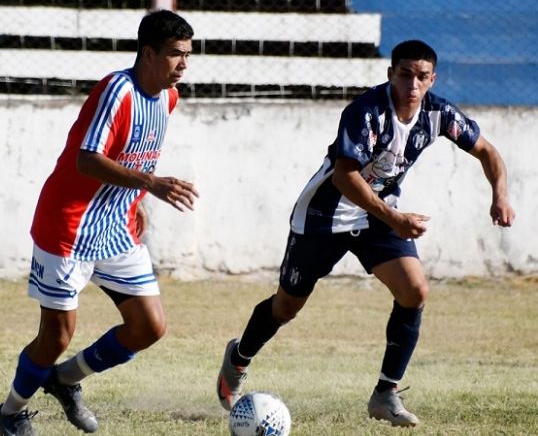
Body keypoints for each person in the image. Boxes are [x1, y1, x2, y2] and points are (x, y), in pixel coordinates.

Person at [216, 40, 515, 427]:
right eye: (405, 74)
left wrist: (500, 196)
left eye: (421, 77)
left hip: (377, 216)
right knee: (286, 308)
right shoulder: (366, 111)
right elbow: (344, 176)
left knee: (414, 290)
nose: (412, 84)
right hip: (324, 215)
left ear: (432, 80)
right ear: (391, 74)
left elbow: (488, 151)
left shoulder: (439, 113)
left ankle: (386, 394)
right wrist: (394, 217)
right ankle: (239, 357)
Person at [0, 10, 197, 436]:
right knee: (56, 337)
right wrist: (150, 184)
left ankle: (64, 380)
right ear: (148, 53)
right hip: (68, 227)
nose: (184, 64)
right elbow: (88, 160)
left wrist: (136, 200)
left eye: (188, 55)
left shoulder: (168, 98)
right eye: (176, 54)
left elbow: (138, 151)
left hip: (115, 227)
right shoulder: (116, 90)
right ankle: (11, 412)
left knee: (149, 326)